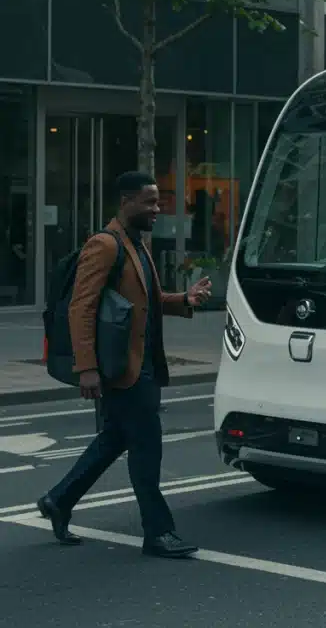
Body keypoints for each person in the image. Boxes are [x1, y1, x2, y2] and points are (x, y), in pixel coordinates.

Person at [36, 171, 212, 558]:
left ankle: (58, 500)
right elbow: (82, 307)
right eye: (149, 202)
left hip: (138, 364)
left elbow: (149, 300)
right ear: (126, 202)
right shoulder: (105, 245)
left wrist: (184, 299)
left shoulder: (136, 245)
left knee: (114, 439)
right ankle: (158, 533)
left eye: (158, 201)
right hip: (123, 368)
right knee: (147, 447)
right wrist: (86, 368)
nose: (157, 209)